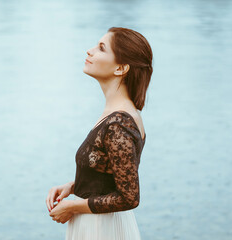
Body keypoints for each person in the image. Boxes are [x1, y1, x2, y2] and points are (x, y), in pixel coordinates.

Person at [45, 27, 153, 240]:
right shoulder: (115, 114)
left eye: (101, 48)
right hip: (98, 222)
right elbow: (111, 175)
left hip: (102, 229)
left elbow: (129, 197)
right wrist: (75, 186)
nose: (89, 51)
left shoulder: (119, 124)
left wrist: (73, 207)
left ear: (121, 68)